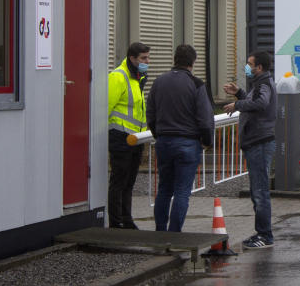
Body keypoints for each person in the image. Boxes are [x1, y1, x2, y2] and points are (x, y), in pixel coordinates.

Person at [146, 44, 214, 232]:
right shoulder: (196, 84)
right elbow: (205, 119)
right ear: (193, 61)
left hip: (163, 142)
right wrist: (207, 141)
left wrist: (158, 134)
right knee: (182, 192)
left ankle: (160, 231)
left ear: (174, 59)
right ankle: (175, 234)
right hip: (188, 143)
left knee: (164, 189)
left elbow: (150, 113)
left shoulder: (159, 82)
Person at [223, 51, 278, 249]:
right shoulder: (261, 83)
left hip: (260, 142)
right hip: (256, 142)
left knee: (260, 191)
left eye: (249, 64)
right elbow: (255, 102)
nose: (247, 67)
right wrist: (239, 93)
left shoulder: (263, 84)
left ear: (259, 67)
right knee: (258, 190)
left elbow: (261, 103)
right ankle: (261, 233)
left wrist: (237, 104)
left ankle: (265, 235)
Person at [107, 42, 150, 229]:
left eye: (148, 58)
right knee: (119, 180)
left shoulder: (137, 78)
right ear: (132, 58)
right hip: (120, 137)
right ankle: (116, 222)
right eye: (143, 58)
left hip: (136, 138)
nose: (147, 62)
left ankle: (127, 219)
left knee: (130, 181)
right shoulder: (118, 77)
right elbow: (106, 107)